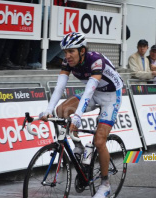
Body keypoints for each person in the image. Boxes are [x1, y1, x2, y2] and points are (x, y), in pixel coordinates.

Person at [39, 32, 123, 198]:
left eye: (71, 51)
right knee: (61, 111)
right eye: (65, 52)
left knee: (99, 141)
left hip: (111, 97)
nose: (67, 56)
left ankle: (105, 185)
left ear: (82, 50)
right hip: (95, 93)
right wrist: (48, 109)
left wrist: (77, 117)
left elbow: (89, 90)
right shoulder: (67, 62)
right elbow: (59, 88)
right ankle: (79, 147)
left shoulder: (96, 61)